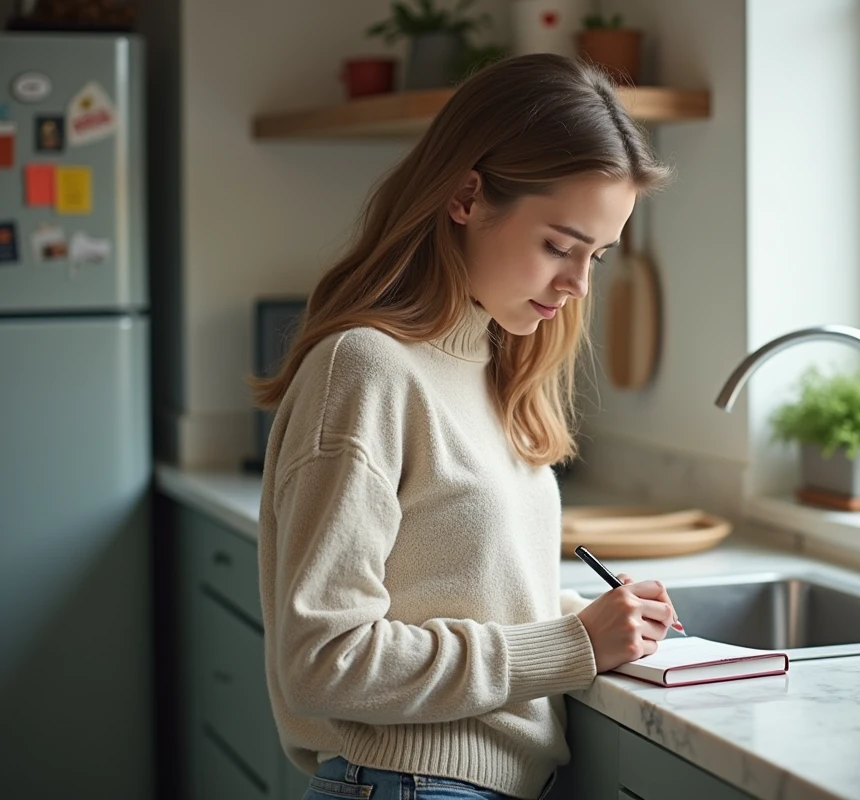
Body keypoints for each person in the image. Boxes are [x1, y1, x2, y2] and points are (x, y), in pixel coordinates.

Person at [251, 53, 680, 800]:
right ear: (466, 196)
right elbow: (324, 660)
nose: (579, 284)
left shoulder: (494, 366)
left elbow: (458, 594)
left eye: (597, 256)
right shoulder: (367, 370)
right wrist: (572, 644)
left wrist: (597, 621)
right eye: (559, 246)